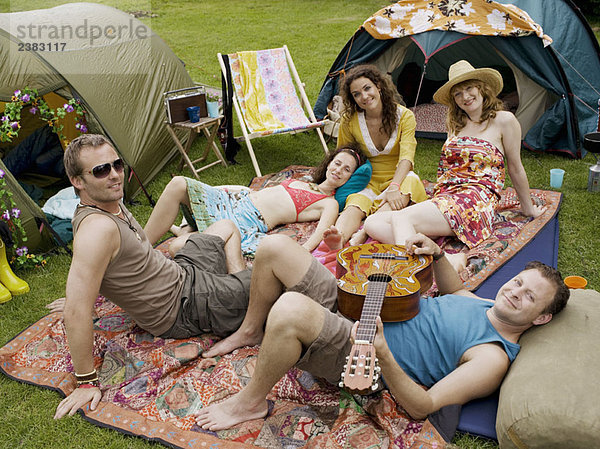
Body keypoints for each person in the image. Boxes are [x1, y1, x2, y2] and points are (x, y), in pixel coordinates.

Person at [52, 134, 343, 419]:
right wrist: (86, 381)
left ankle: (240, 286)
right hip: (185, 305)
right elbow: (77, 309)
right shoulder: (97, 230)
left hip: (181, 273)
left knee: (227, 225)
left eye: (117, 164)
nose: (115, 175)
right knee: (277, 268)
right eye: (101, 170)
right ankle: (321, 315)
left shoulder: (107, 201)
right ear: (78, 181)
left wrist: (85, 288)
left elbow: (108, 268)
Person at [195, 233, 569, 430]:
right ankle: (249, 330)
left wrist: (384, 352)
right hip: (367, 304)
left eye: (528, 296)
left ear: (541, 318)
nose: (514, 291)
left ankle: (251, 402)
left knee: (290, 309)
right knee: (275, 246)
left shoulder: (492, 357)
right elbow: (456, 293)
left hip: (365, 352)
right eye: (518, 282)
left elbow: (423, 408)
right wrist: (437, 256)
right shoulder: (487, 304)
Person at [364, 61, 545, 270]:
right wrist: (440, 198)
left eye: (469, 88)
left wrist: (527, 207)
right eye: (458, 94)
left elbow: (515, 167)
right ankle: (446, 259)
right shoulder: (455, 124)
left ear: (482, 88)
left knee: (401, 218)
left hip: (475, 200)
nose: (465, 97)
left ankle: (411, 273)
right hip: (447, 197)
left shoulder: (504, 120)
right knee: (372, 223)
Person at [143, 145, 367, 254]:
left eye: (347, 170)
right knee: (179, 183)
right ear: (329, 162)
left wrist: (304, 250)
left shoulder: (329, 202)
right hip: (233, 201)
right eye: (337, 163)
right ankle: (139, 246)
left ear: (350, 178)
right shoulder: (304, 178)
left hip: (245, 220)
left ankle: (182, 232)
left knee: (178, 248)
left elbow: (322, 231)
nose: (339, 170)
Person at [332, 64, 427, 247]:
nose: (364, 97)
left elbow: (407, 157)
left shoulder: (405, 116)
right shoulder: (349, 121)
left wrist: (394, 186)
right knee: (355, 202)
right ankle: (339, 236)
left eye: (367, 88)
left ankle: (365, 231)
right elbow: (345, 155)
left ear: (378, 86)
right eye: (357, 94)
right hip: (368, 177)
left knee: (410, 183)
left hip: (398, 176)